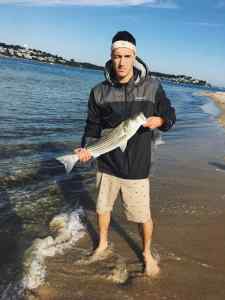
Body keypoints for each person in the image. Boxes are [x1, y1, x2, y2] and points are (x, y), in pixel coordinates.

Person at [75, 31, 176, 277]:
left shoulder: (152, 87)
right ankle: (102, 244)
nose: (121, 62)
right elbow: (92, 126)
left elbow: (170, 115)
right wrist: (85, 148)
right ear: (110, 57)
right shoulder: (98, 91)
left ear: (134, 57)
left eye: (126, 56)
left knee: (142, 216)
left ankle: (146, 253)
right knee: (102, 209)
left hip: (137, 167)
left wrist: (160, 120)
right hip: (107, 163)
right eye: (117, 56)